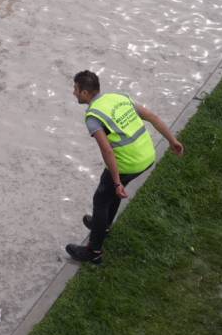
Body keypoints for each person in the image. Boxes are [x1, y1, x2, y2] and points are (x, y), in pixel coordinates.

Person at [66, 70, 184, 264]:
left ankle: (94, 251)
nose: (73, 93)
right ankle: (103, 227)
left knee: (101, 199)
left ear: (85, 93)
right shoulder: (118, 97)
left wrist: (117, 181)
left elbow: (107, 151)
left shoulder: (93, 116)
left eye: (75, 89)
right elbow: (152, 116)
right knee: (111, 194)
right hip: (147, 156)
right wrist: (173, 141)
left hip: (128, 163)